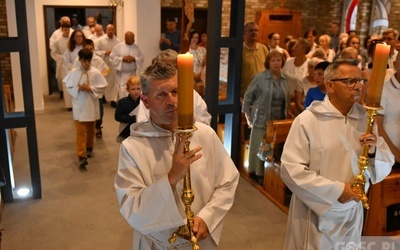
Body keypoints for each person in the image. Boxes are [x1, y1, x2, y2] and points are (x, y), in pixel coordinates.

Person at [114, 61, 239, 249]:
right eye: (161, 95)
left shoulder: (204, 134)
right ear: (146, 101)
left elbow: (227, 181)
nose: (171, 101)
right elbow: (131, 208)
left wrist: (207, 218)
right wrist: (171, 178)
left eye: (175, 92)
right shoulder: (132, 148)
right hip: (157, 243)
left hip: (201, 239)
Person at [280, 59, 394, 249]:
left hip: (351, 213)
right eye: (350, 81)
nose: (358, 87)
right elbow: (291, 170)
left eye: (361, 81)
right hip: (316, 212)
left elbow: (383, 167)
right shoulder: (308, 120)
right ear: (330, 85)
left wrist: (374, 151)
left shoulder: (365, 119)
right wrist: (337, 190)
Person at [242, 50, 292, 185]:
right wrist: (247, 116)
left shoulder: (286, 79)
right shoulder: (259, 78)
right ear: (268, 63)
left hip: (278, 120)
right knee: (259, 147)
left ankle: (271, 176)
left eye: (279, 60)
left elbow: (287, 100)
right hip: (261, 119)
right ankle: (258, 174)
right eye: (273, 61)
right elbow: (247, 98)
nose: (276, 63)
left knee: (274, 149)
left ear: (282, 62)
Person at [137, 49, 211, 125]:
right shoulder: (150, 94)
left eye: (175, 68)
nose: (171, 72)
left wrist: (187, 119)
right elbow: (142, 122)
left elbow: (205, 119)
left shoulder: (190, 92)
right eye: (166, 69)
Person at [63, 48, 108, 170]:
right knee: (80, 132)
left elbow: (102, 87)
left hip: (91, 105)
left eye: (88, 61)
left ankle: (89, 148)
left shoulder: (96, 72)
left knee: (91, 130)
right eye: (84, 61)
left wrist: (91, 89)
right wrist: (78, 88)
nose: (86, 63)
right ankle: (81, 155)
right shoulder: (74, 72)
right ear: (79, 60)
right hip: (79, 106)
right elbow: (68, 86)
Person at [72, 39, 109, 138]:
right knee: (83, 111)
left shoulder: (98, 59)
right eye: (87, 48)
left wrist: (98, 77)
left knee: (98, 110)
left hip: (95, 89)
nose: (90, 50)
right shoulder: (77, 60)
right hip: (82, 93)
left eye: (91, 49)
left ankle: (97, 126)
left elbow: (105, 70)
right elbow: (74, 74)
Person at [376, 51, 400, 169]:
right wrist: (396, 154)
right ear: (395, 64)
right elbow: (378, 127)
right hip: (390, 157)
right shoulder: (384, 89)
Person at [110, 31, 144, 100]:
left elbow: (141, 58)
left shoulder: (136, 47)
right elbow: (112, 58)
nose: (133, 40)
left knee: (134, 89)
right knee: (123, 92)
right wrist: (122, 59)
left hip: (133, 73)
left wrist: (134, 59)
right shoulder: (118, 47)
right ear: (125, 38)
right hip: (122, 74)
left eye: (133, 38)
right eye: (130, 38)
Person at [241, 22, 269, 97]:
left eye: (256, 30)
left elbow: (269, 69)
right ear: (245, 33)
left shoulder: (263, 48)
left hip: (263, 92)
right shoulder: (240, 50)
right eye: (251, 30)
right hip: (247, 93)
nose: (254, 33)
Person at [96, 24, 121, 107]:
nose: (110, 31)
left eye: (112, 30)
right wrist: (104, 53)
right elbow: (95, 52)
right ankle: (103, 97)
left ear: (114, 30)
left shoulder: (118, 41)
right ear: (106, 30)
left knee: (114, 83)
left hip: (113, 66)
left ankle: (113, 100)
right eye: (109, 30)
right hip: (104, 65)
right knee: (104, 81)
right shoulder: (100, 40)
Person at [63, 30, 86, 110]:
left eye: (81, 36)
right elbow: (66, 62)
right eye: (77, 36)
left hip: (85, 73)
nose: (79, 38)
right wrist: (73, 69)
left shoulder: (86, 48)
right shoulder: (69, 50)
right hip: (74, 73)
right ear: (73, 38)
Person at [114, 76, 141, 142]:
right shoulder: (122, 102)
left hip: (140, 131)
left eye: (138, 89)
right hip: (126, 131)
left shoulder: (145, 101)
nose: (136, 91)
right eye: (133, 89)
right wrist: (133, 118)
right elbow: (118, 117)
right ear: (128, 90)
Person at [50, 23, 71, 98]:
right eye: (65, 29)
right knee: (63, 80)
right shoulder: (57, 41)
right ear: (62, 30)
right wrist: (62, 57)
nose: (67, 31)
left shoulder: (72, 40)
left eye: (68, 29)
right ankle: (63, 95)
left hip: (72, 63)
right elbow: (53, 53)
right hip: (62, 63)